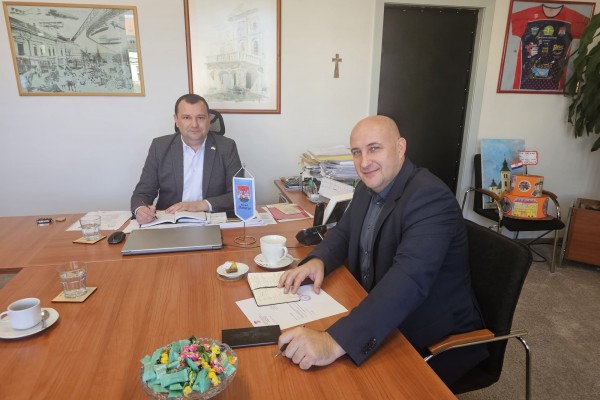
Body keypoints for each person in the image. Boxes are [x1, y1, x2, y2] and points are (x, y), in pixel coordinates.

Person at [277, 115, 488, 386]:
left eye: (374, 148)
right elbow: (343, 232)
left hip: (429, 336)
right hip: (381, 313)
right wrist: (318, 260)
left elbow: (407, 281)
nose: (364, 162)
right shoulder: (368, 188)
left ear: (400, 148)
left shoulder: (429, 198)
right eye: (357, 152)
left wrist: (333, 341)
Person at [131, 94, 242, 224]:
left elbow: (239, 194)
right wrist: (140, 210)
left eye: (200, 117)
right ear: (176, 120)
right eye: (186, 117)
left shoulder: (226, 147)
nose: (194, 124)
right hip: (170, 221)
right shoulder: (159, 147)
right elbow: (143, 193)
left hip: (212, 221)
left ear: (209, 119)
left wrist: (201, 205)